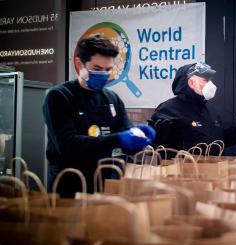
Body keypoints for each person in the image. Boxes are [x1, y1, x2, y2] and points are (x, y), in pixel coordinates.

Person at [43, 34, 156, 198]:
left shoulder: (112, 99)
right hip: (68, 187)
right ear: (79, 64)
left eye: (108, 70)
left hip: (105, 185)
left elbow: (125, 136)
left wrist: (138, 138)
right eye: (96, 69)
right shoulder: (59, 96)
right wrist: (118, 139)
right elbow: (67, 145)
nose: (103, 75)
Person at [149, 62, 236, 154]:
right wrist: (159, 138)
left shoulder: (210, 110)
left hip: (210, 175)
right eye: (206, 80)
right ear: (191, 83)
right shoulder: (168, 109)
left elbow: (221, 141)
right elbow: (153, 149)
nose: (211, 84)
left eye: (210, 80)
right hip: (181, 176)